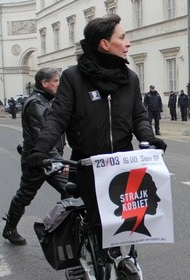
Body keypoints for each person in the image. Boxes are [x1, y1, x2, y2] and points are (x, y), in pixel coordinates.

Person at [26, 15, 166, 240]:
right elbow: (57, 118)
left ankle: (125, 265)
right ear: (105, 44)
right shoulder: (73, 77)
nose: (128, 42)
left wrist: (149, 138)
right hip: (88, 163)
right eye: (122, 37)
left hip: (123, 163)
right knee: (97, 226)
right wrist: (40, 149)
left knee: (129, 225)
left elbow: (138, 116)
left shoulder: (129, 78)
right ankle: (92, 263)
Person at [2, 68, 68, 245]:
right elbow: (42, 137)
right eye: (55, 81)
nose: (59, 84)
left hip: (51, 159)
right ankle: (9, 228)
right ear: (44, 83)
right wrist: (60, 162)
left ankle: (59, 229)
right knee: (25, 195)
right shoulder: (36, 103)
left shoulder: (48, 101)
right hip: (38, 161)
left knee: (70, 190)